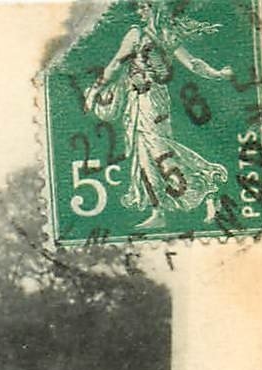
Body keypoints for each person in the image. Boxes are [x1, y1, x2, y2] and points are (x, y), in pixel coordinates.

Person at [85, 0, 233, 229]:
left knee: (158, 152)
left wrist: (217, 74)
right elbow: (117, 64)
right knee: (151, 153)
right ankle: (165, 208)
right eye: (140, 7)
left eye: (145, 6)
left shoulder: (151, 35)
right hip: (142, 100)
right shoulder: (152, 34)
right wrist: (217, 73)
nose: (140, 11)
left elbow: (192, 63)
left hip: (151, 101)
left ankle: (203, 188)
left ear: (156, 7)